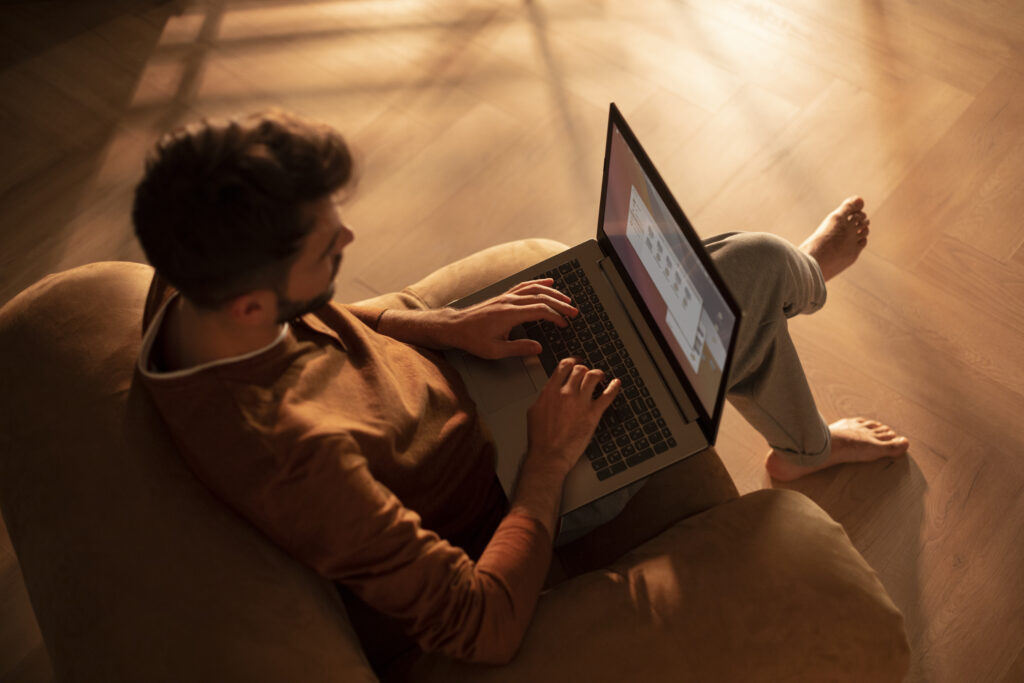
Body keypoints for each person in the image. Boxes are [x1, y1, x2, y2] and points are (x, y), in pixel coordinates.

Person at [132, 110, 909, 667]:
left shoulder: (192, 285)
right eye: (326, 247)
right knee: (743, 281)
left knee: (695, 288)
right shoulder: (298, 460)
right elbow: (481, 625)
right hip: (506, 481)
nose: (350, 240)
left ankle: (789, 319)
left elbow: (330, 320)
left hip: (468, 378)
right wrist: (549, 456)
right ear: (250, 305)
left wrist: (444, 325)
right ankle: (799, 355)